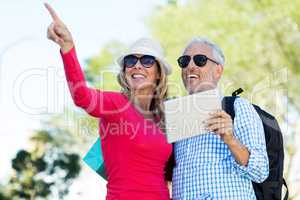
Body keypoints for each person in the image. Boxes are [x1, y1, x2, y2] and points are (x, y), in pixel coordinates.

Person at [44, 3, 173, 200]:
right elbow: (82, 97)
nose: (137, 66)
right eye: (131, 61)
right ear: (125, 70)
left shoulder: (165, 117)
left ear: (158, 73)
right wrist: (68, 47)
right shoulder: (116, 104)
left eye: (146, 60)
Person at [172, 37, 269, 200]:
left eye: (200, 60)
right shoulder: (177, 117)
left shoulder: (238, 107)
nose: (190, 66)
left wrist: (230, 139)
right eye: (184, 61)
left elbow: (261, 171)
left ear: (218, 71)